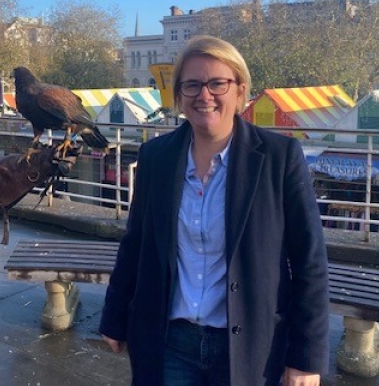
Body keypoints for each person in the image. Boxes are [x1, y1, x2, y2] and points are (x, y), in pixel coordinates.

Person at [99, 35, 329, 386]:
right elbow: (136, 243)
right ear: (179, 96)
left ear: (240, 91)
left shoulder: (279, 158)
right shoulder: (156, 157)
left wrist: (306, 356)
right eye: (192, 85)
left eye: (217, 83)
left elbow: (309, 260)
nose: (204, 95)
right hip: (169, 342)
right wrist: (114, 316)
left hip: (248, 347)